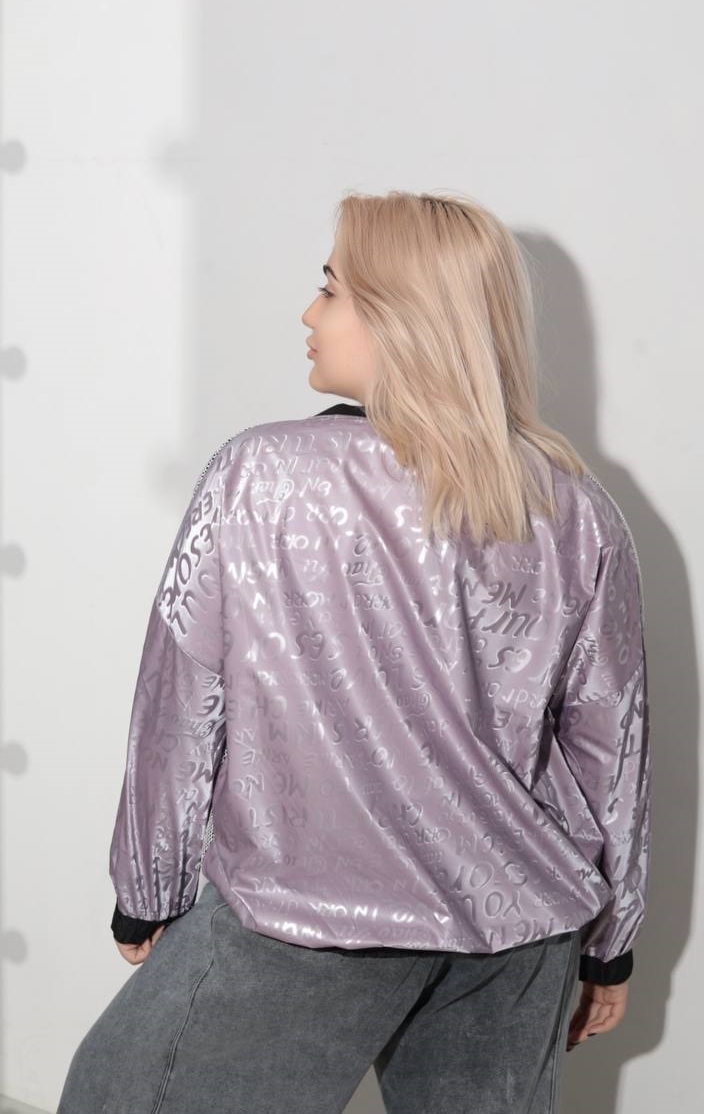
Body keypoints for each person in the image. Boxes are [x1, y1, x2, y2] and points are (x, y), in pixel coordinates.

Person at [57, 190, 652, 1114]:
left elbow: (181, 702)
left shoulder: (260, 477)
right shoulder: (574, 509)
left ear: (399, 316)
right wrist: (611, 942)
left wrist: (149, 888)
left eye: (331, 288)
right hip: (520, 932)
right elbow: (614, 745)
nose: (309, 312)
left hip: (309, 918)